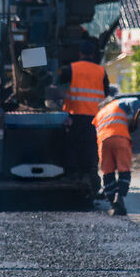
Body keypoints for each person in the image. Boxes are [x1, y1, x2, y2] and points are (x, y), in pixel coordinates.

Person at [59, 40, 109, 192]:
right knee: (90, 146)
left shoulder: (71, 69)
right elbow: (106, 93)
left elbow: (58, 87)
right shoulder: (101, 71)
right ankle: (90, 173)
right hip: (94, 118)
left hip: (74, 116)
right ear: (93, 54)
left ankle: (73, 174)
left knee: (73, 145)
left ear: (80, 53)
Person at [92, 96, 140, 216]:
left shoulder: (98, 115)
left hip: (104, 142)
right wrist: (135, 121)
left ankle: (112, 204)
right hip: (120, 138)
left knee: (107, 172)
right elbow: (135, 101)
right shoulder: (117, 103)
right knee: (124, 170)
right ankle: (119, 197)